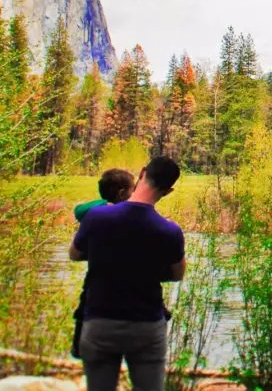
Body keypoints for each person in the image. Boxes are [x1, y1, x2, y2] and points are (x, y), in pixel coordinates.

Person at [70, 157, 185, 391]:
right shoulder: (169, 230)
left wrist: (107, 256)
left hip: (100, 320)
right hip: (146, 325)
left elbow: (75, 254)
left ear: (142, 173)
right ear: (169, 190)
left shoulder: (97, 217)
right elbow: (177, 274)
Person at [70, 169, 135, 358]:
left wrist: (105, 202)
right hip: (123, 297)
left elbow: (79, 210)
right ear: (122, 193)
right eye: (132, 190)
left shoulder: (94, 214)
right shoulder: (127, 216)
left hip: (95, 294)